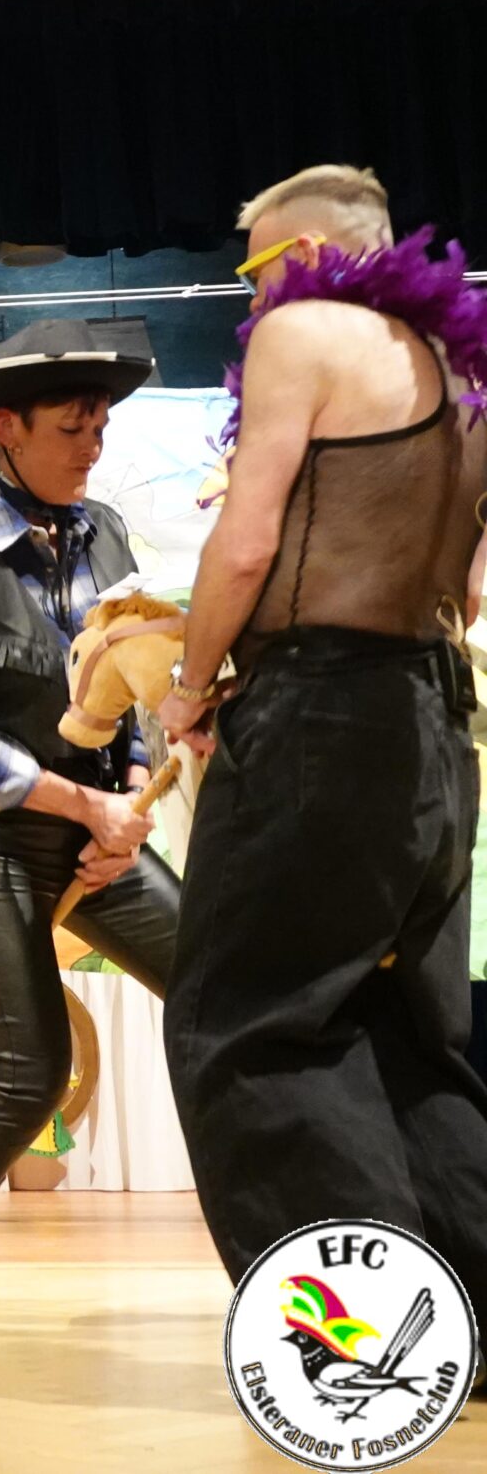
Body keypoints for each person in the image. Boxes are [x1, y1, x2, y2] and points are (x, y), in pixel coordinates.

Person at [158, 166, 487, 1312]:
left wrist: (188, 684)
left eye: (250, 270)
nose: (248, 298)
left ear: (298, 256)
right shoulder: (462, 367)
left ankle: (365, 1340)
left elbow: (246, 543)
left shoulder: (303, 332)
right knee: (406, 1037)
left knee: (249, 1023)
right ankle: (466, 1316)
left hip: (320, 709)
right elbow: (471, 591)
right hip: (433, 718)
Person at [0, 318, 182, 1343]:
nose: (91, 446)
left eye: (99, 427)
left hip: (98, 827)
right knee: (30, 1072)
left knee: (216, 986)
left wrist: (127, 794)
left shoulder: (105, 534)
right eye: (70, 428)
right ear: (6, 427)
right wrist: (86, 807)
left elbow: (129, 678)